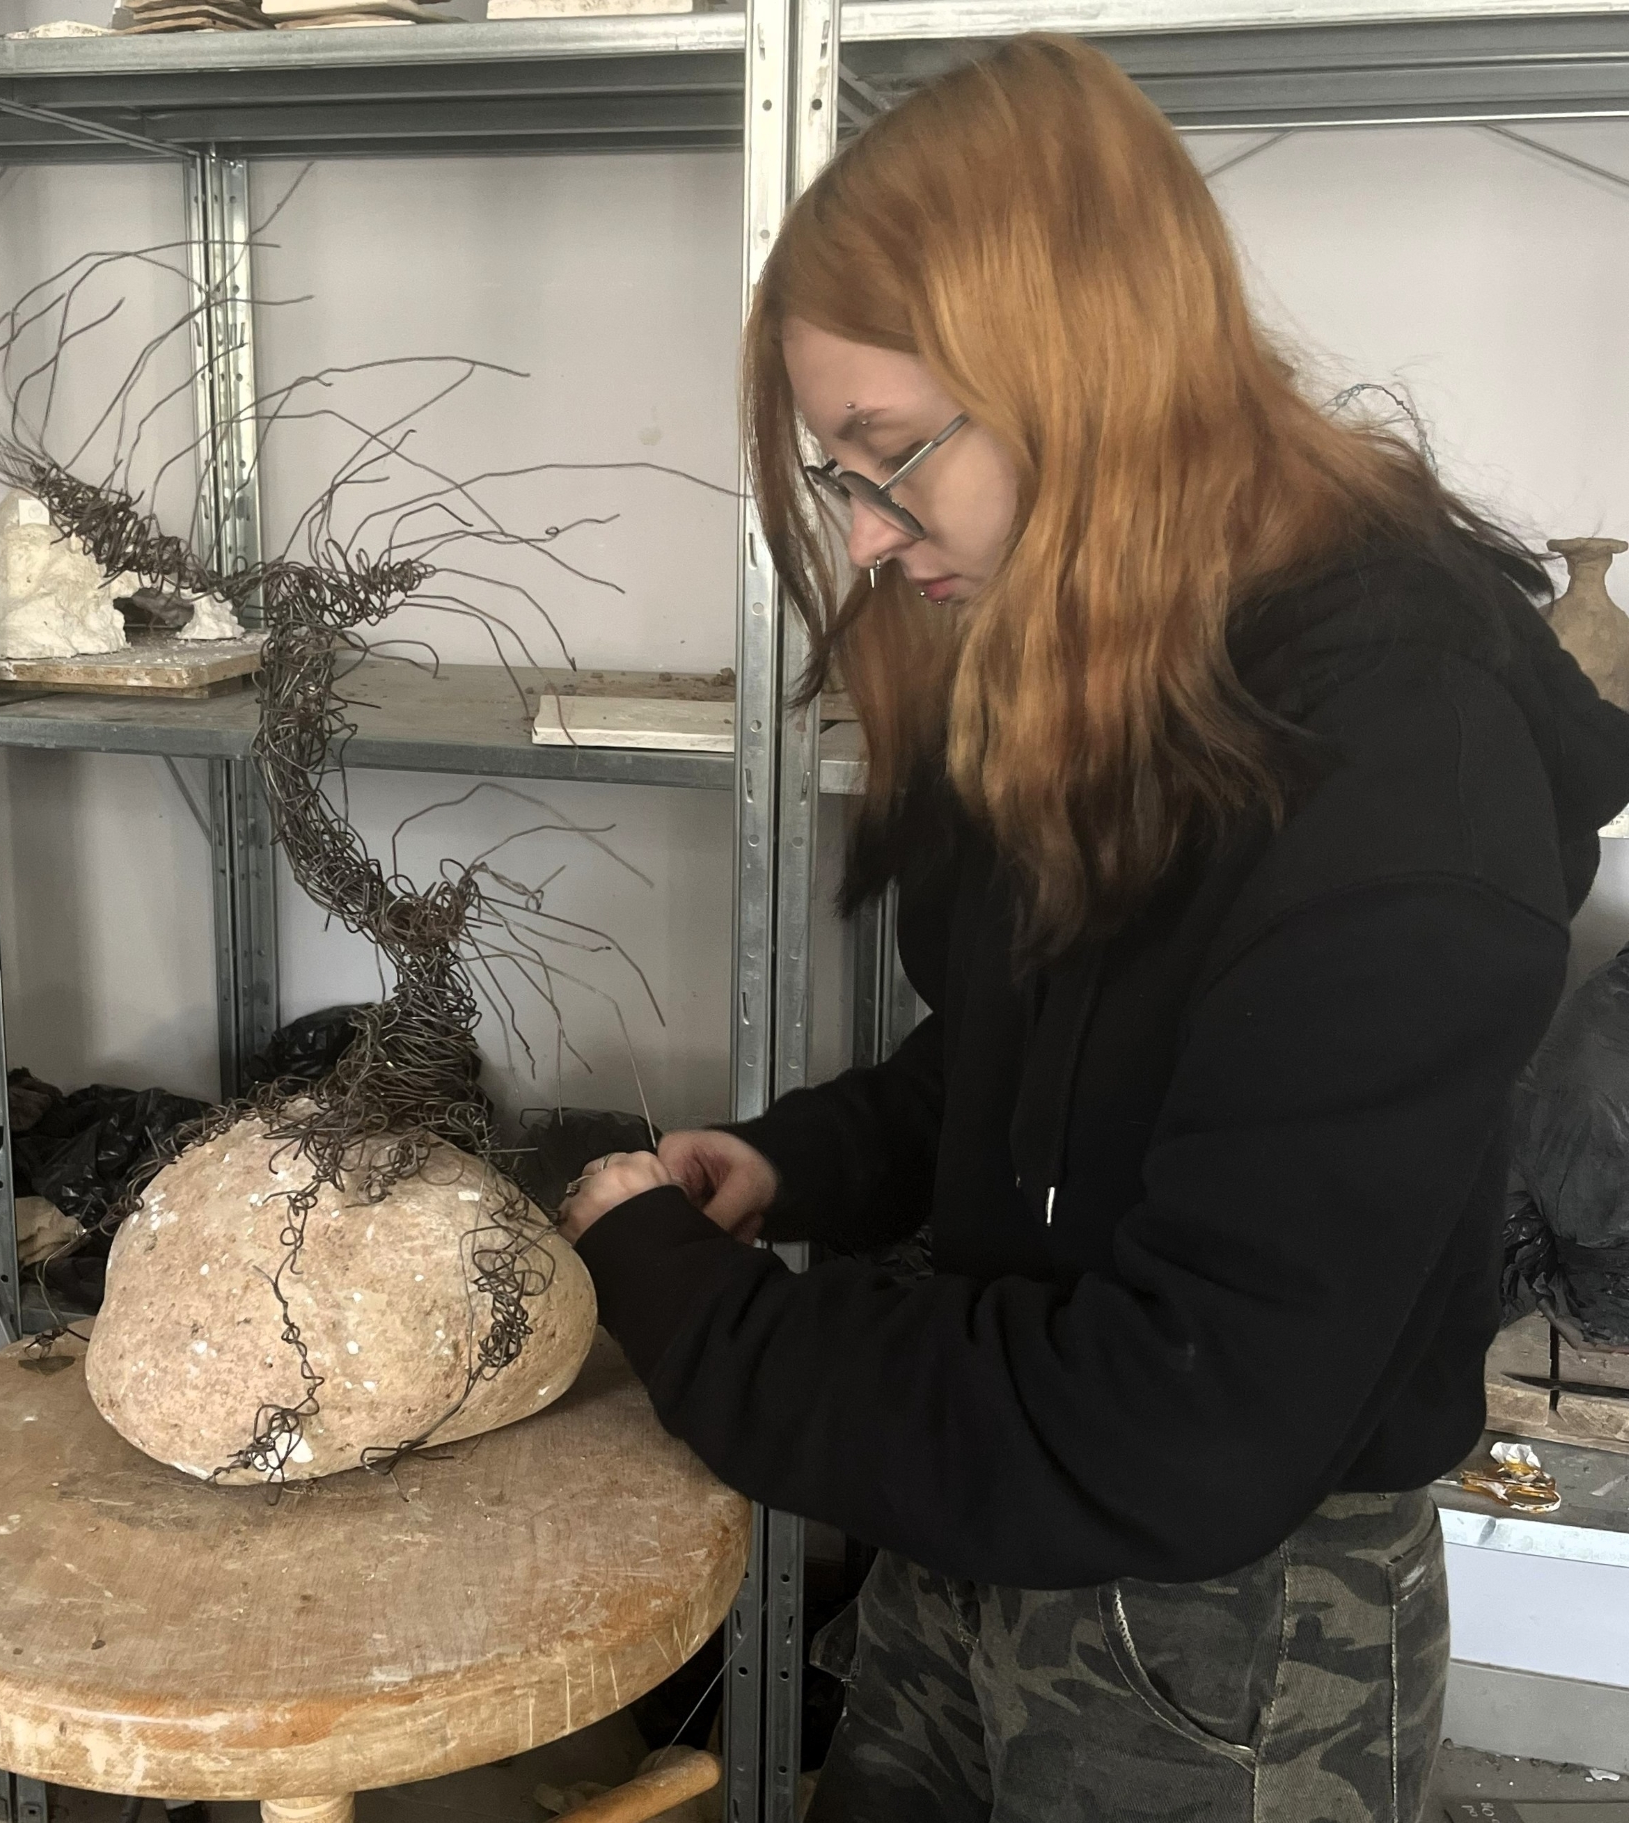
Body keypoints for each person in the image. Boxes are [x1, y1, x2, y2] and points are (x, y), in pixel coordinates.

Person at [554, 34, 1629, 1823]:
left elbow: (1183, 1421)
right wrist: (803, 1160)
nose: (869, 539)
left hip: (1227, 1629)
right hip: (982, 1501)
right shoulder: (1124, 656)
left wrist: (699, 1319)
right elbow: (1034, 1055)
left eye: (891, 456)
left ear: (1091, 373)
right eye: (838, 475)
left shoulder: (1403, 783)